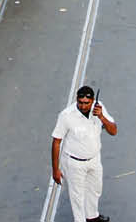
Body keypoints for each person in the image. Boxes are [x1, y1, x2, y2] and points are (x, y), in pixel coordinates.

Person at [50, 86, 117, 222]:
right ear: (77, 100)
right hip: (74, 163)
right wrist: (55, 169)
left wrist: (102, 117)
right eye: (80, 102)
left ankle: (92, 217)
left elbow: (113, 131)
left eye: (87, 103)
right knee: (78, 198)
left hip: (94, 159)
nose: (83, 106)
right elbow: (56, 142)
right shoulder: (66, 116)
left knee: (95, 190)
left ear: (92, 101)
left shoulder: (99, 109)